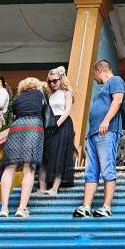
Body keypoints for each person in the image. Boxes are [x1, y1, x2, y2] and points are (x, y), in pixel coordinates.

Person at [73, 59, 125, 218]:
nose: (94, 79)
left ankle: (106, 207)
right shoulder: (103, 87)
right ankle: (86, 206)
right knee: (91, 171)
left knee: (107, 167)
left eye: (93, 74)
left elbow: (118, 100)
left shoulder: (115, 80)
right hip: (94, 134)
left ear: (98, 70)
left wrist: (106, 121)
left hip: (107, 131)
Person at [0, 77, 48, 218]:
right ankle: (21, 208)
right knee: (29, 168)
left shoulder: (18, 99)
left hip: (16, 128)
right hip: (34, 127)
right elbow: (46, 111)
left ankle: (4, 208)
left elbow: (14, 114)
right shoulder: (40, 95)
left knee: (9, 167)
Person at [39, 66, 74, 196]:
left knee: (60, 153)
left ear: (61, 79)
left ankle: (54, 187)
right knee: (46, 154)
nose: (52, 83)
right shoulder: (49, 94)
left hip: (63, 123)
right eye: (49, 81)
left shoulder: (67, 92)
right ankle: (42, 187)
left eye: (55, 80)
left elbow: (68, 109)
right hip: (49, 124)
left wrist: (57, 124)